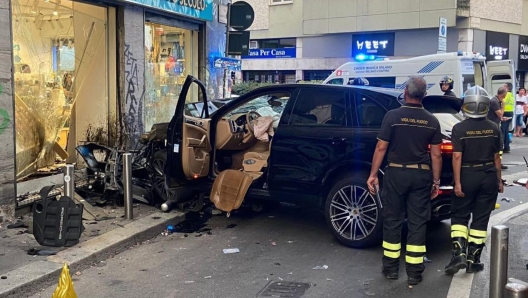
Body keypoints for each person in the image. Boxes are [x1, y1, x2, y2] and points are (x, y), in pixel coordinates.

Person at [367, 76, 443, 286]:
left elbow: (381, 147)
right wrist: (436, 182)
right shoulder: (432, 120)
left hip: (396, 174)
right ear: (424, 95)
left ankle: (391, 269)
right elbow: (436, 155)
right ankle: (415, 273)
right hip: (421, 175)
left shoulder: (392, 116)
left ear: (406, 93)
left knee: (392, 220)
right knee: (418, 223)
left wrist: (373, 174)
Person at [444, 86, 503, 275]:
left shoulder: (459, 128)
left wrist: (458, 183)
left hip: (467, 175)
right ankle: (473, 259)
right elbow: (497, 158)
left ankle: (458, 255)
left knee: (460, 216)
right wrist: (499, 180)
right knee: (481, 218)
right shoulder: (494, 128)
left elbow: (457, 157)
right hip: (488, 176)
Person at [488, 87, 508, 170]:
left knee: (499, 145)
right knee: (499, 145)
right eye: (506, 93)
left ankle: (498, 161)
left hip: (496, 124)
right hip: (493, 127)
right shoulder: (494, 101)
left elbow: (497, 116)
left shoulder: (497, 101)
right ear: (503, 94)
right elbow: (500, 114)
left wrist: (501, 119)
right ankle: (496, 162)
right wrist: (503, 106)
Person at [501, 83, 515, 152]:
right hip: (510, 113)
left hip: (505, 113)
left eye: (504, 86)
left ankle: (501, 147)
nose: (502, 87)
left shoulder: (506, 94)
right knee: (506, 130)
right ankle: (506, 147)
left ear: (506, 87)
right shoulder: (512, 94)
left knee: (502, 130)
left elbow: (502, 101)